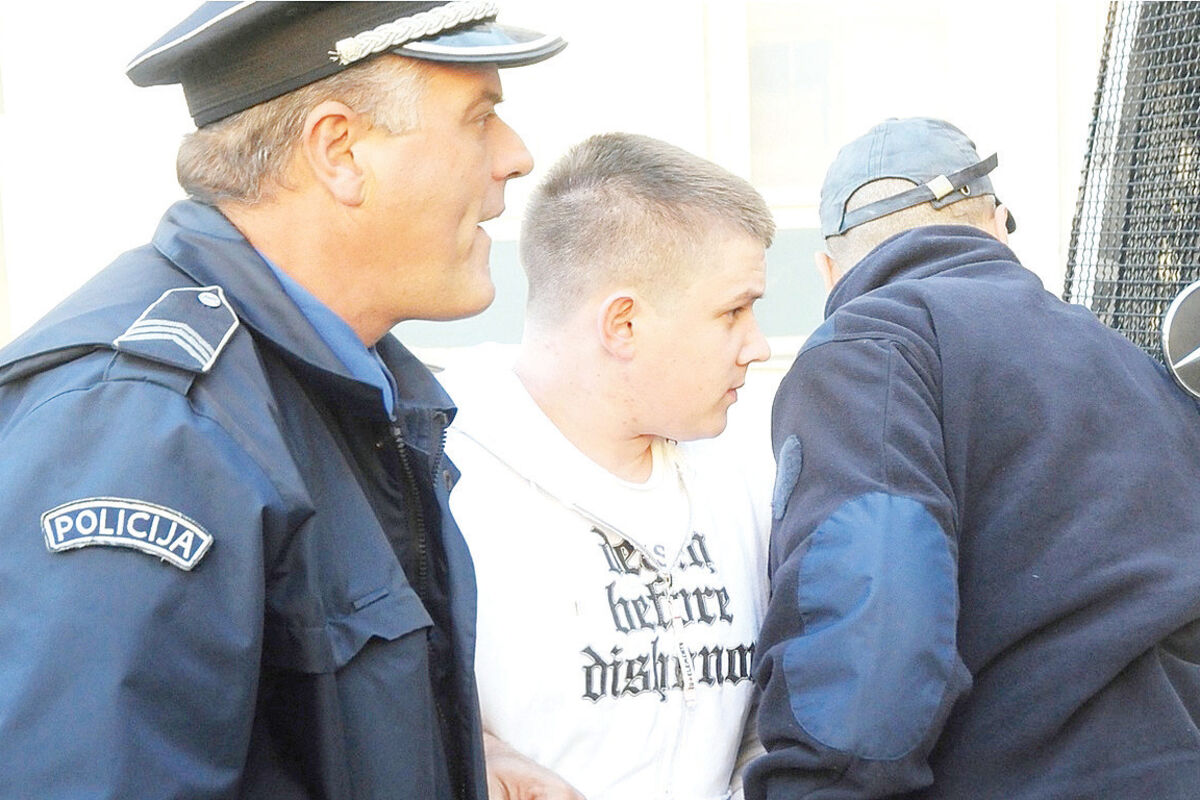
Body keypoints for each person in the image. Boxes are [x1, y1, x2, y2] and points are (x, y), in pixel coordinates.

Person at [0, 3, 563, 798]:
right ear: (340, 151)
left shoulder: (335, 386)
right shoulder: (151, 425)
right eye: (480, 118)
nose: (516, 156)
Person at [747, 116, 1200, 799]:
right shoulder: (1125, 358)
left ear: (828, 268)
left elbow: (874, 624)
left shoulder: (871, 350)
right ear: (998, 224)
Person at [437, 131, 776, 800]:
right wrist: (475, 753)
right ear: (623, 324)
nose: (757, 347)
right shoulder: (441, 487)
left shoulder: (746, 472)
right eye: (733, 311)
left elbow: (772, 726)